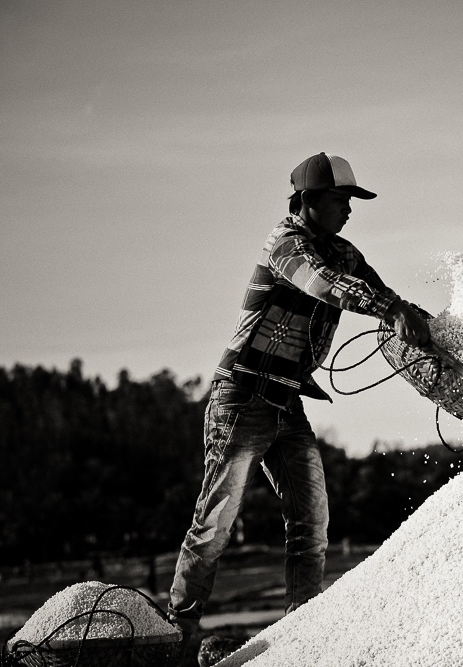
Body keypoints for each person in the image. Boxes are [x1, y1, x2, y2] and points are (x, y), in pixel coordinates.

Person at [167, 152, 430, 637]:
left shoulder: (346, 253)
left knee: (311, 522)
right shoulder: (285, 245)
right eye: (339, 199)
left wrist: (422, 322)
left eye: (351, 200)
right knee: (215, 523)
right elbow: (326, 286)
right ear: (308, 201)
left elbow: (382, 293)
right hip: (243, 397)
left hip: (287, 403)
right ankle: (179, 632)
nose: (349, 209)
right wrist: (389, 309)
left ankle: (299, 633)